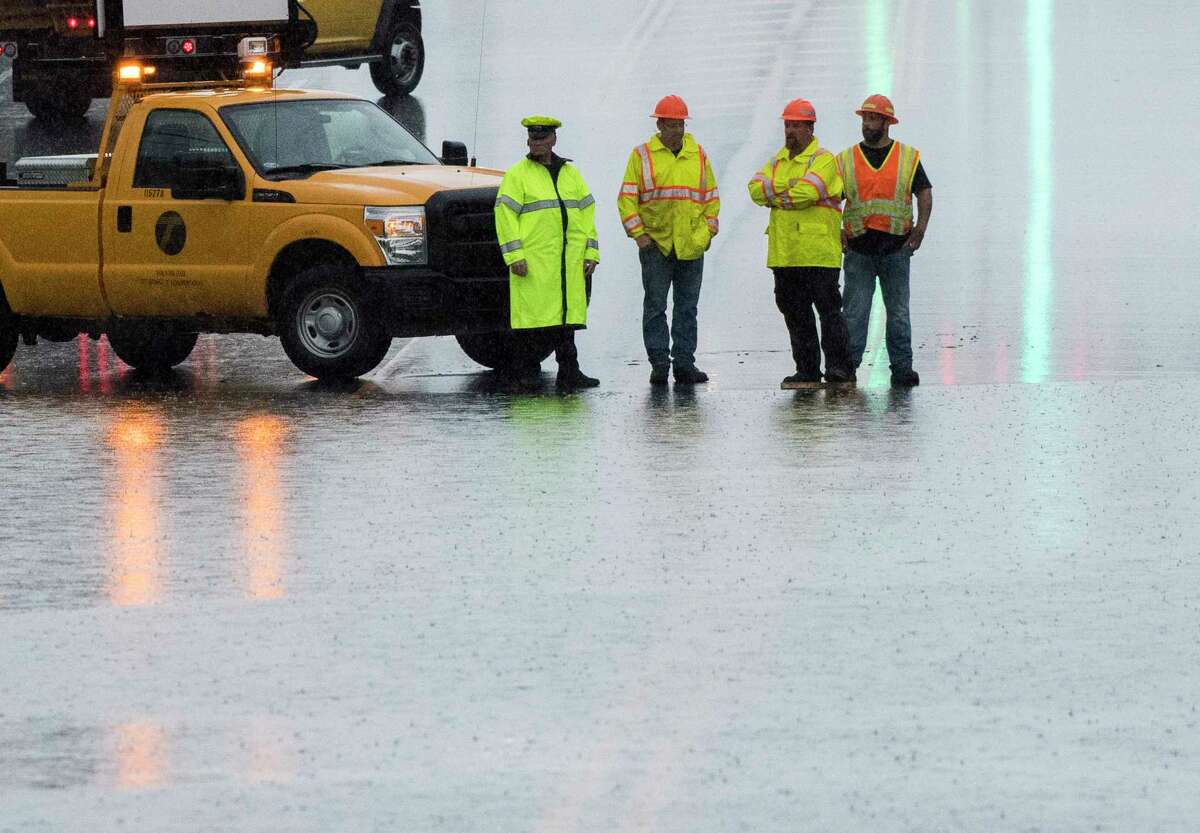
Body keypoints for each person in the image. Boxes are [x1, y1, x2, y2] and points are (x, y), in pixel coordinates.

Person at [747, 98, 854, 388]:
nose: (790, 131)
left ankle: (840, 368)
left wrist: (778, 194)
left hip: (818, 253)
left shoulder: (823, 159)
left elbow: (809, 191)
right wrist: (789, 191)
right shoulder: (778, 160)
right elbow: (755, 190)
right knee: (795, 313)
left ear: (810, 128)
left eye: (795, 125)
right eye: (787, 125)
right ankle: (806, 370)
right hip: (785, 254)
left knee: (829, 312)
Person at [618, 95, 720, 386]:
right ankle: (660, 364)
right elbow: (626, 198)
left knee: (687, 308)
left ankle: (684, 363)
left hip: (690, 245)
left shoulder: (697, 154)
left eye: (680, 124)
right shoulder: (642, 156)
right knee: (655, 306)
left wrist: (706, 233)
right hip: (657, 245)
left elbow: (711, 198)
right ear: (659, 124)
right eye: (672, 124)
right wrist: (639, 235)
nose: (677, 130)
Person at [494, 115, 601, 392]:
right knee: (533, 320)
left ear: (553, 139)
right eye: (532, 138)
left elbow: (587, 213)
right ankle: (527, 372)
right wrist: (514, 256)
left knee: (566, 319)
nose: (536, 143)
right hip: (535, 262)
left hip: (567, 262)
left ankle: (570, 370)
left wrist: (591, 252)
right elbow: (505, 216)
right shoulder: (518, 174)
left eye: (542, 138)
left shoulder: (570, 174)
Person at [838, 94, 932, 387]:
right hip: (859, 249)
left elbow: (924, 193)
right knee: (854, 313)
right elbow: (830, 199)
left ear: (888, 123)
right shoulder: (846, 160)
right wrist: (835, 231)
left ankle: (902, 368)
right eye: (865, 118)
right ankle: (846, 367)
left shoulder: (907, 158)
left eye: (874, 118)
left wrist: (920, 230)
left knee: (899, 313)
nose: (868, 124)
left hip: (895, 248)